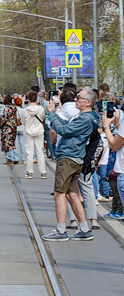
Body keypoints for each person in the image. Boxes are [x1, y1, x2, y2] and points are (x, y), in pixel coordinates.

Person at [42, 86, 98, 242]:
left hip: (69, 157)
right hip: (76, 157)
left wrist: (52, 114)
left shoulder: (85, 118)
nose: (75, 99)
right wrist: (55, 114)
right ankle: (85, 229)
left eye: (79, 97)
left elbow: (65, 131)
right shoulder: (87, 117)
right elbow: (65, 126)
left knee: (59, 193)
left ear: (87, 102)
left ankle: (61, 231)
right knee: (72, 194)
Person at [22, 89, 48, 179]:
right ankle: (43, 172)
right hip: (39, 131)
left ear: (28, 99)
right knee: (40, 151)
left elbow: (23, 121)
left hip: (28, 131)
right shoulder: (41, 109)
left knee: (29, 152)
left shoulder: (25, 110)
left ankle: (29, 172)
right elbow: (43, 118)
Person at [0, 96, 20, 164]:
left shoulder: (6, 108)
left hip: (7, 127)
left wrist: (0, 121)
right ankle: (16, 158)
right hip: (13, 126)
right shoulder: (14, 107)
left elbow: (4, 117)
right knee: (12, 142)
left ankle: (10, 158)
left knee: (7, 142)